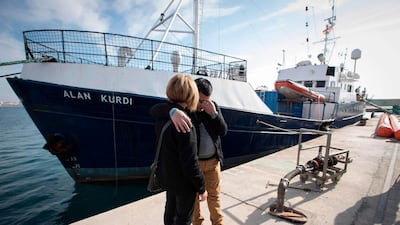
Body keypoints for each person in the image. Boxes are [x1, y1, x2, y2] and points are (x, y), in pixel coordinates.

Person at [152, 77, 227, 225]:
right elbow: (154, 110)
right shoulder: (185, 114)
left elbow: (223, 130)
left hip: (212, 162)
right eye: (200, 100)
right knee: (190, 207)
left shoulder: (211, 107)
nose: (203, 104)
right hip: (194, 165)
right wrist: (171, 111)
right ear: (193, 95)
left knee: (214, 197)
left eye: (207, 100)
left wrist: (214, 114)